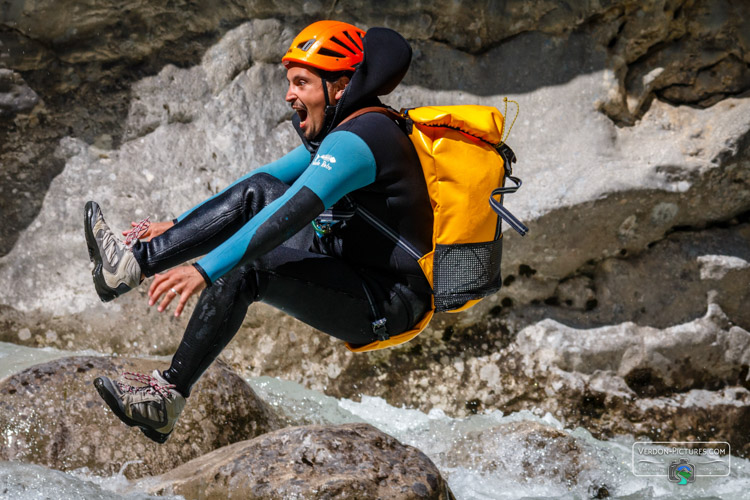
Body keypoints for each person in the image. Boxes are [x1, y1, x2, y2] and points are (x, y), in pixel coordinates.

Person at [86, 20, 434, 443]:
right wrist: (180, 226)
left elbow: (289, 214)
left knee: (247, 266)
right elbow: (261, 183)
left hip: (387, 301)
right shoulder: (347, 127)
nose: (289, 95)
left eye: (302, 83)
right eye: (290, 83)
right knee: (260, 191)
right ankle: (130, 265)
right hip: (349, 262)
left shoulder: (362, 139)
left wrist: (204, 269)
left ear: (339, 87)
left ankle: (167, 395)